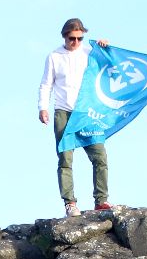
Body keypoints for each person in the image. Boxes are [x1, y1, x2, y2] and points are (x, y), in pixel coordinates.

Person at [38, 17, 113, 217]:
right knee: (65, 159)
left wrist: (105, 47)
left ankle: (101, 199)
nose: (76, 43)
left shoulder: (90, 53)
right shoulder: (54, 56)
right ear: (65, 36)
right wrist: (43, 107)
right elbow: (46, 84)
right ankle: (70, 203)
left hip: (86, 113)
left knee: (100, 156)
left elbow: (111, 67)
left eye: (80, 38)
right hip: (63, 111)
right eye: (72, 38)